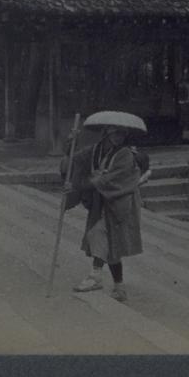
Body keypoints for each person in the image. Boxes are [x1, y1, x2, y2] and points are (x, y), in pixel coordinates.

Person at [62, 111, 147, 303]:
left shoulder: (125, 154)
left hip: (120, 201)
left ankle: (96, 276)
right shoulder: (96, 149)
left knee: (99, 236)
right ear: (107, 132)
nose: (119, 137)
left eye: (122, 134)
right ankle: (118, 287)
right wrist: (71, 142)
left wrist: (81, 185)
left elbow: (111, 179)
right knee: (109, 244)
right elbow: (75, 158)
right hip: (102, 201)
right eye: (116, 133)